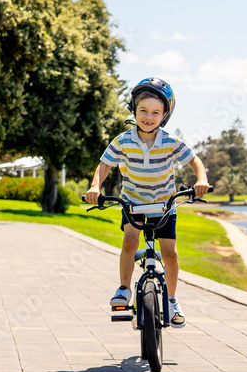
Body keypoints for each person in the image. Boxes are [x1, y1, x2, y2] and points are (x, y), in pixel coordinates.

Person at [83, 77, 209, 327]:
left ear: (164, 115)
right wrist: (95, 186)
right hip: (133, 203)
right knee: (130, 243)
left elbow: (194, 160)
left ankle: (172, 299)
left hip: (164, 205)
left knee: (170, 254)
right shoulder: (123, 140)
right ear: (134, 111)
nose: (148, 117)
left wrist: (201, 179)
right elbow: (105, 164)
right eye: (143, 110)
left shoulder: (171, 141)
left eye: (155, 112)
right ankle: (123, 289)